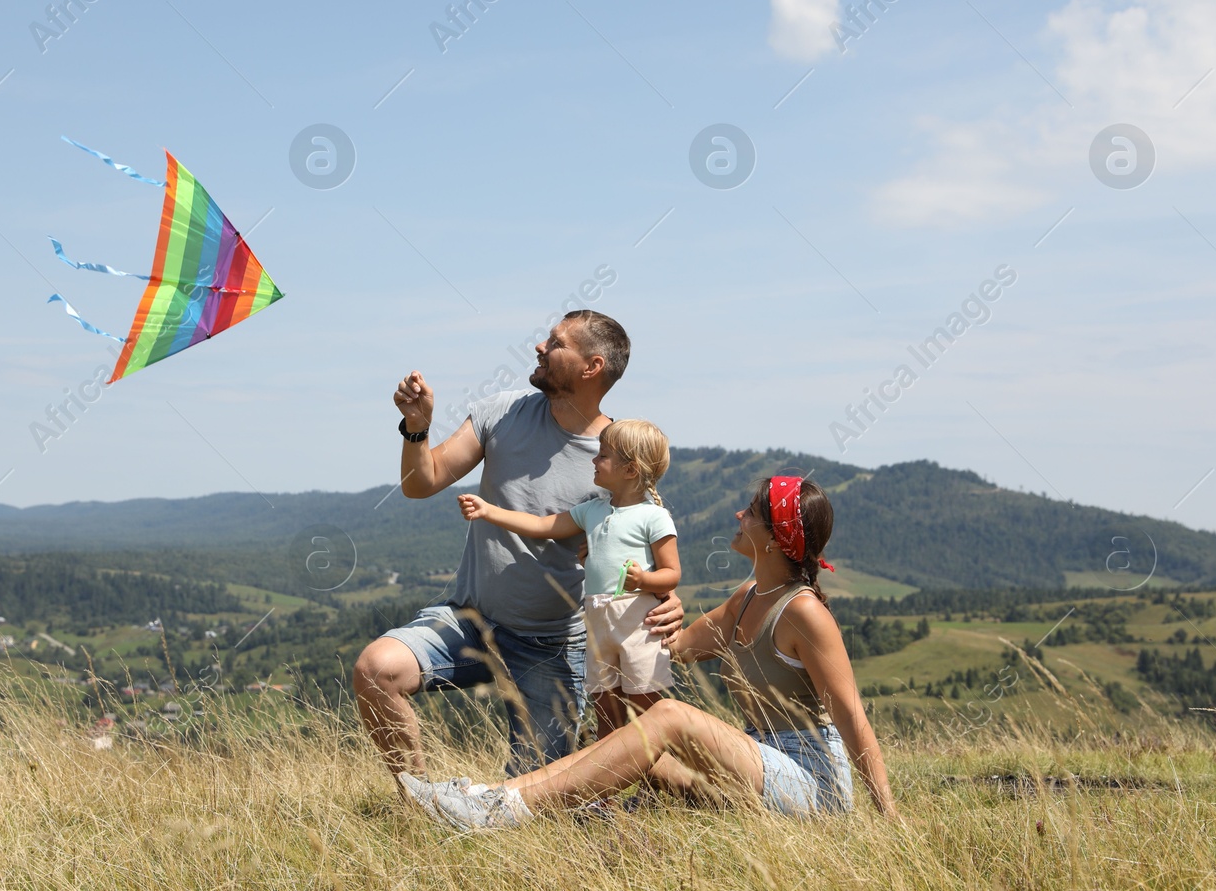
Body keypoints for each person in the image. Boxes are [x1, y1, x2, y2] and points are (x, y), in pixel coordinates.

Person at [398, 476, 899, 828]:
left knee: (669, 717)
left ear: (775, 537)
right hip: (762, 766)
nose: (739, 513)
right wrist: (650, 600)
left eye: (752, 511)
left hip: (813, 785)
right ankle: (488, 796)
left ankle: (499, 813)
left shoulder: (804, 611)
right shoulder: (745, 599)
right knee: (628, 747)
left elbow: (851, 716)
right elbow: (673, 647)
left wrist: (888, 819)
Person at [352, 311, 686, 779]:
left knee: (537, 798)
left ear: (591, 367)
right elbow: (420, 483)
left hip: (552, 646)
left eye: (556, 343)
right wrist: (416, 427)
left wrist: (669, 598)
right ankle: (420, 807)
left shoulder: (617, 456)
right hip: (470, 619)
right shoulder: (503, 411)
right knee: (375, 670)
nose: (540, 348)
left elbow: (641, 538)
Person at [458, 418, 680, 740]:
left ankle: (649, 785)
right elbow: (542, 526)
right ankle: (607, 789)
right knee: (607, 714)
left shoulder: (654, 517)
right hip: (598, 620)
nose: (594, 460)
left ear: (630, 470)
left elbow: (671, 574)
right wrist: (488, 511)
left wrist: (644, 580)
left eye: (603, 456)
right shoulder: (592, 510)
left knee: (646, 715)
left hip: (638, 623)